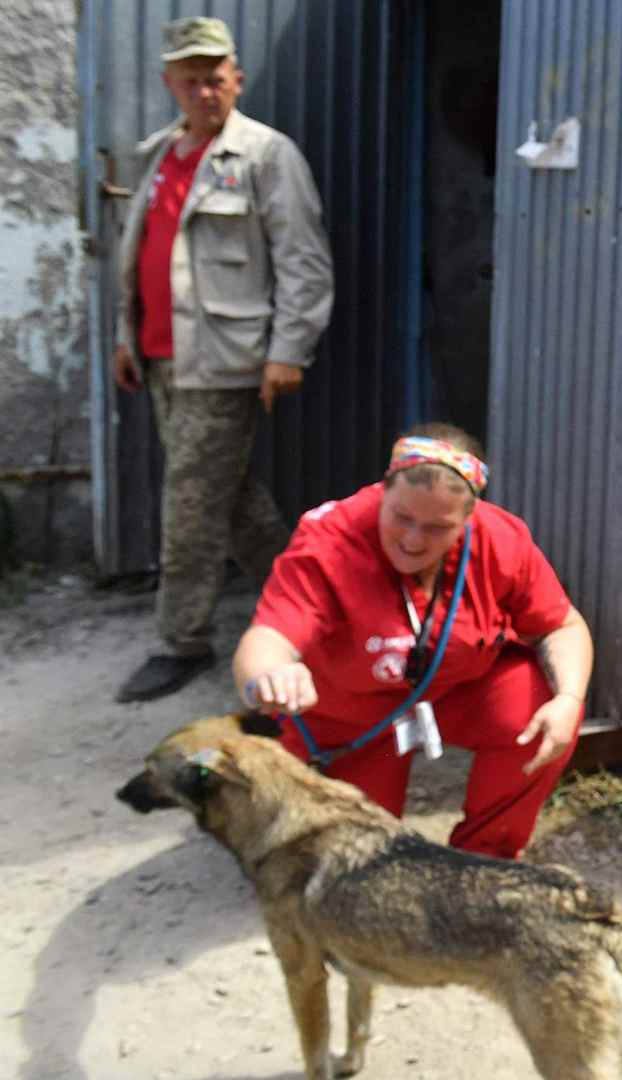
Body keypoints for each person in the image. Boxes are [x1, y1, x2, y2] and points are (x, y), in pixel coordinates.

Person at [232, 424, 592, 860]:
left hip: (459, 687)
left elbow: (562, 625)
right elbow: (268, 636)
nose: (413, 540)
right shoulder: (331, 539)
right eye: (401, 517)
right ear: (382, 491)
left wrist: (570, 699)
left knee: (542, 709)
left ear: (469, 518)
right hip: (351, 713)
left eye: (438, 527)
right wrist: (272, 674)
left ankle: (482, 858)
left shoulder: (501, 538)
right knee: (352, 857)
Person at [111, 16, 335, 703]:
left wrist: (289, 350)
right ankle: (312, 608)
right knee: (227, 495)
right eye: (191, 79)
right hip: (159, 358)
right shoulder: (157, 155)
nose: (205, 90)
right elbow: (142, 257)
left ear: (236, 77)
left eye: (216, 77)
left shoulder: (267, 155)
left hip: (226, 359)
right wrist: (127, 336)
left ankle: (181, 640)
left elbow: (304, 261)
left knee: (191, 503)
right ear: (169, 84)